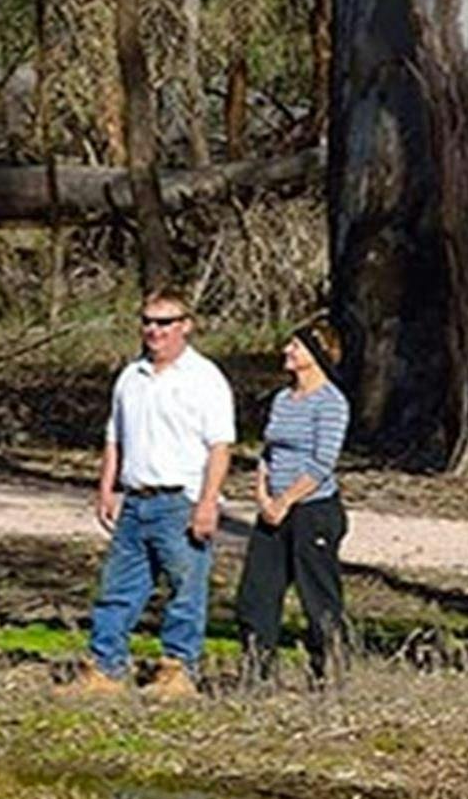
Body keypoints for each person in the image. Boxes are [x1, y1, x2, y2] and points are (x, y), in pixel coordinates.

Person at [67, 289, 235, 700]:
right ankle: (104, 668)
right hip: (136, 500)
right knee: (117, 589)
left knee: (185, 591)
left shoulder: (205, 378)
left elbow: (220, 446)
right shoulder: (131, 376)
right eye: (147, 321)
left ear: (186, 325)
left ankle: (178, 671)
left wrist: (208, 503)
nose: (153, 331)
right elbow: (115, 438)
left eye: (164, 322)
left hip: (180, 500)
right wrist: (107, 487)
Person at [235, 320, 351, 683]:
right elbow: (268, 451)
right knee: (256, 594)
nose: (287, 351)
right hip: (273, 512)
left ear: (315, 355)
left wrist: (286, 501)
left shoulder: (331, 402)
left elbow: (321, 463)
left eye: (296, 346)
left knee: (318, 599)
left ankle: (328, 674)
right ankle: (257, 673)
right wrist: (263, 495)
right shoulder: (283, 399)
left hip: (312, 511)